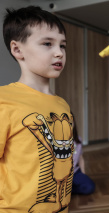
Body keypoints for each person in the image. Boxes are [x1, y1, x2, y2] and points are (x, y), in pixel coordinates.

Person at [0, 6, 74, 212]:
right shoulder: (4, 100)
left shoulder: (62, 105)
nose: (59, 52)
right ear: (17, 49)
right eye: (47, 44)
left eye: (63, 45)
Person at [72, 113, 95, 195]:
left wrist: (83, 175)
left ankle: (70, 190)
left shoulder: (78, 140)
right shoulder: (57, 142)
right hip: (62, 176)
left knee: (89, 187)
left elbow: (81, 158)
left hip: (75, 173)